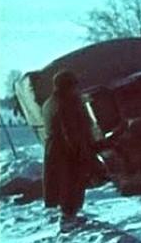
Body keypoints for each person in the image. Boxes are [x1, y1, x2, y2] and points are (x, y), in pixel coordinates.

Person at [41, 69, 98, 229]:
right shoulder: (67, 102)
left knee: (63, 185)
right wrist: (82, 153)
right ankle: (68, 221)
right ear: (68, 86)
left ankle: (68, 217)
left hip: (55, 150)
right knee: (71, 184)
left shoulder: (49, 103)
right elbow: (70, 131)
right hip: (68, 151)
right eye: (74, 85)